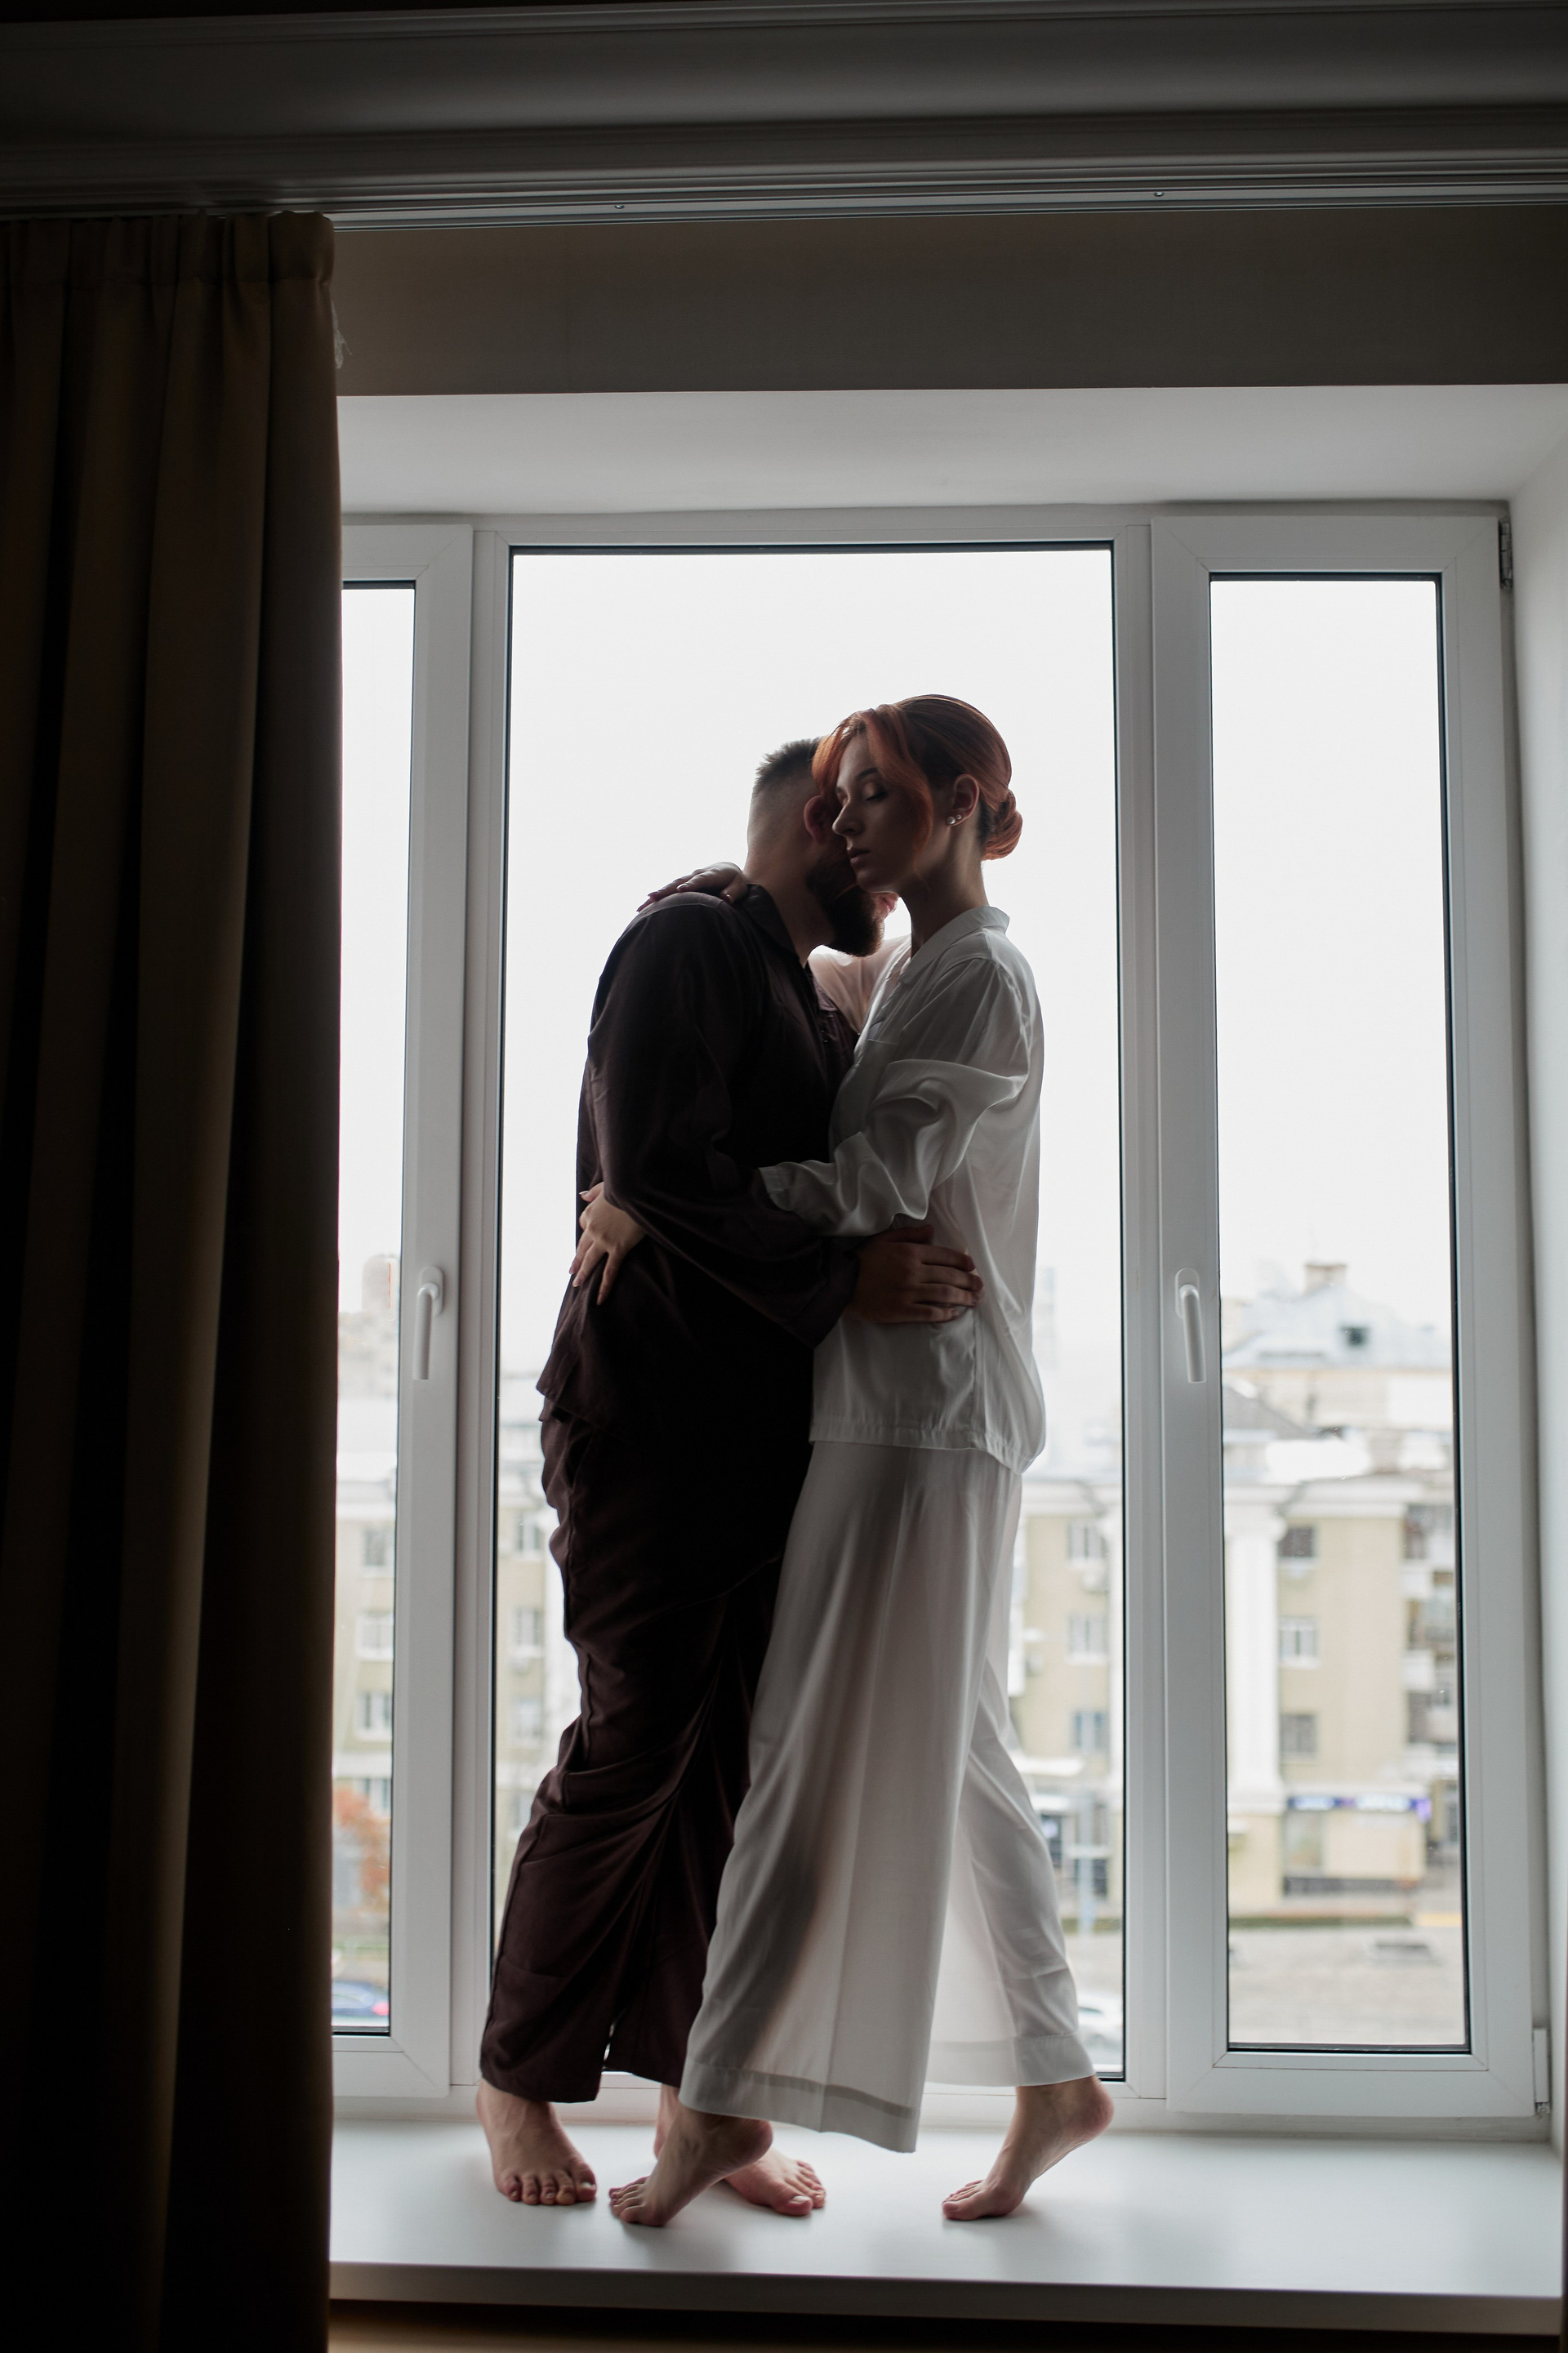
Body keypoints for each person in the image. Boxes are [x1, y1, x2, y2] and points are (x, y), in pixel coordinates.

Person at [583, 696, 1112, 2229]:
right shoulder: (920, 970)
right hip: (901, 1404)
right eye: (836, 798)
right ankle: (1058, 2076)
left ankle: (715, 2103)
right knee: (966, 1745)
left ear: (964, 801)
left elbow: (883, 1174)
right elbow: (809, 976)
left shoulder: (985, 976)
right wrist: (737, 907)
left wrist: (671, 1202)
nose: (848, 824)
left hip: (920, 1411)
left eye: (876, 795)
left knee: (797, 1742)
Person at [476, 738, 985, 2213]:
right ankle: (515, 2079)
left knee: (729, 1780)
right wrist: (842, 1282)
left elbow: (721, 1182)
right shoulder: (688, 943)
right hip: (646, 1424)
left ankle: (698, 2109)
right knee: (634, 1746)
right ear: (819, 817)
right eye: (860, 810)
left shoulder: (800, 990)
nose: (875, 850)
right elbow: (658, 1170)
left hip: (764, 1437)